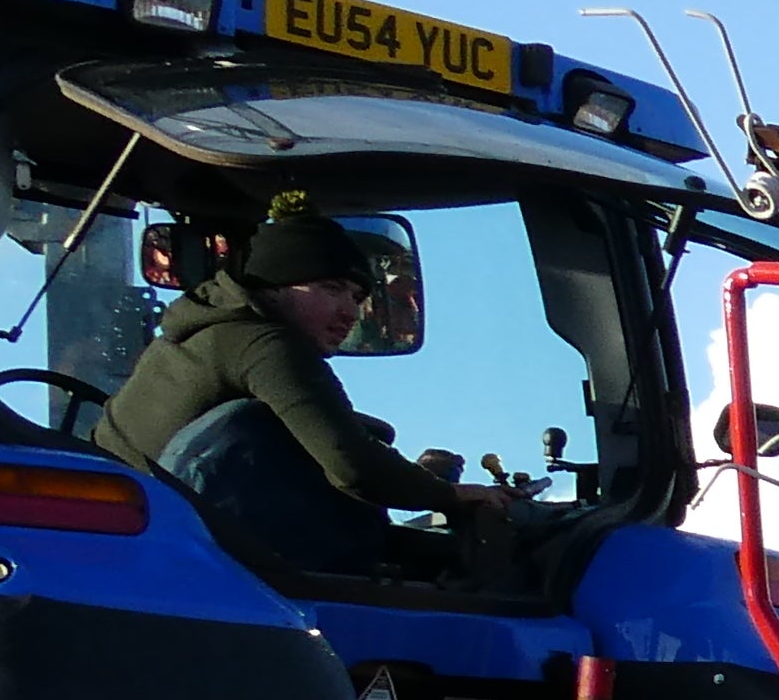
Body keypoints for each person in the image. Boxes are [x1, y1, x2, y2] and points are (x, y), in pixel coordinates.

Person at [93, 201, 508, 550]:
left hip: (142, 537)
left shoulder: (200, 335)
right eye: (331, 289)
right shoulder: (262, 344)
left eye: (358, 297)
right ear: (275, 286)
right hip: (182, 551)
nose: (351, 311)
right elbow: (351, 464)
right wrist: (452, 495)